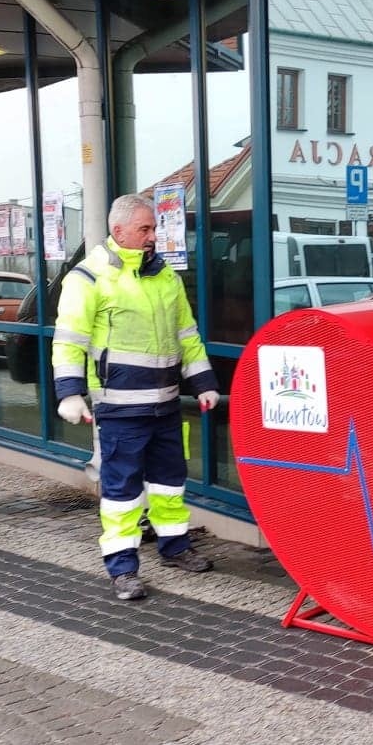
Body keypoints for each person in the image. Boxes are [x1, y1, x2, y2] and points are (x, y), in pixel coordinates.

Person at [52, 193, 220, 601]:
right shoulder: (88, 277)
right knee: (122, 491)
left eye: (154, 228)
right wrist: (70, 394)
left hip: (164, 404)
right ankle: (123, 568)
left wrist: (204, 383)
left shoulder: (166, 278)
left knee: (169, 485)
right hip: (120, 408)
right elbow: (69, 341)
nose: (152, 237)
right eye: (145, 229)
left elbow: (187, 336)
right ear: (118, 231)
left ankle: (175, 547)